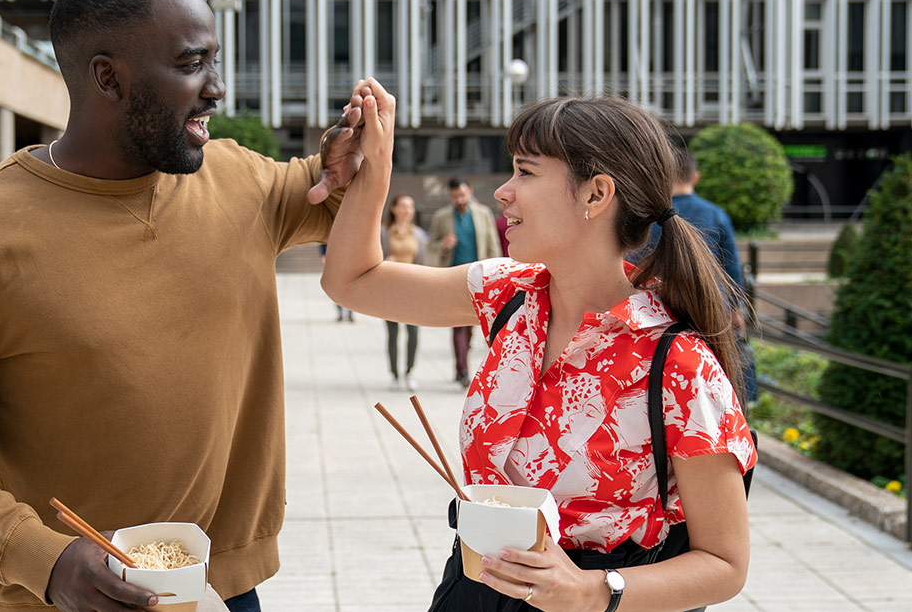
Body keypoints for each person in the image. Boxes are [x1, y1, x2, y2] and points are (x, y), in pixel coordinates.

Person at [0, 0, 368, 612]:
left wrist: (350, 159)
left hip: (225, 590)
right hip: (64, 598)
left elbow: (331, 196)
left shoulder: (238, 179)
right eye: (192, 64)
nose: (216, 89)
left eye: (215, 62)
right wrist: (42, 557)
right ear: (108, 76)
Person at [323, 82, 756, 612]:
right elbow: (353, 281)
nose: (503, 191)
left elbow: (726, 564)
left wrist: (591, 591)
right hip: (473, 592)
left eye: (525, 172)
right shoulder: (508, 292)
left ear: (596, 194)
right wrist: (377, 162)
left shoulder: (679, 365)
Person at [642, 148, 758, 404]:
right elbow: (731, 268)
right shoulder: (715, 214)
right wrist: (734, 308)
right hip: (709, 306)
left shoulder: (648, 217)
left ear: (664, 176)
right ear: (695, 177)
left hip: (656, 309)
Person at [426, 178, 501, 386]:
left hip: (479, 278)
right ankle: (462, 370)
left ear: (470, 191)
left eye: (462, 194)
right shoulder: (442, 217)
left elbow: (492, 242)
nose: (459, 199)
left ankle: (462, 365)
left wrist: (497, 269)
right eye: (455, 196)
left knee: (471, 325)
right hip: (454, 278)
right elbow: (430, 244)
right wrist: (443, 244)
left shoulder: (483, 213)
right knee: (458, 324)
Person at [379, 193, 428, 390]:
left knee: (414, 332)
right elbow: (373, 258)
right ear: (394, 209)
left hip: (412, 289)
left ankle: (409, 371)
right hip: (391, 288)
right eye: (404, 206)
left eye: (411, 206)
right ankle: (394, 374)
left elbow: (423, 262)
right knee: (392, 333)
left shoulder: (418, 234)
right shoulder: (384, 232)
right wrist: (383, 262)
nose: (408, 210)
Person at [319, 243, 354, 322]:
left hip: (349, 260)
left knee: (351, 288)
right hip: (335, 260)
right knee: (337, 289)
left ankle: (350, 313)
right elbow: (323, 241)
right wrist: (323, 254)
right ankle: (340, 313)